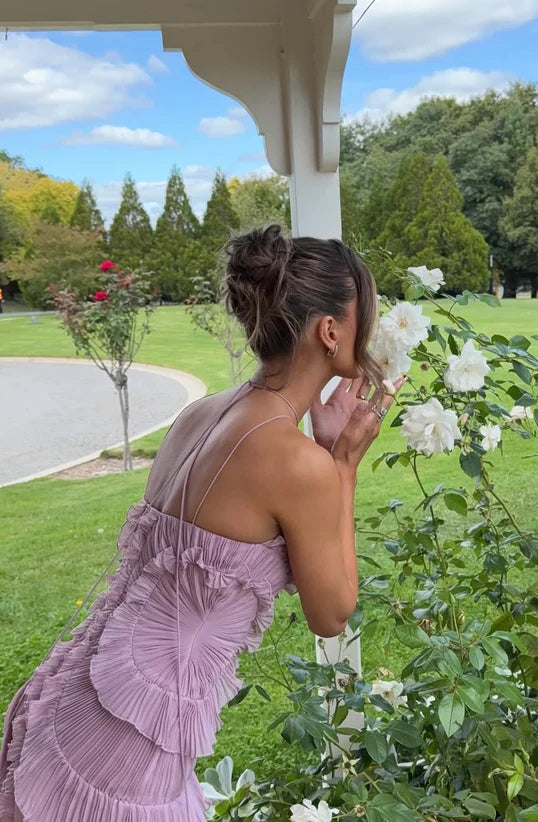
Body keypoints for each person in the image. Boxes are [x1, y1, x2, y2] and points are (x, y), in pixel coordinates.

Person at [0, 224, 403, 821]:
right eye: (363, 314)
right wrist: (341, 463)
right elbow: (333, 613)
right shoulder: (298, 463)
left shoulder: (201, 413)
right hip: (128, 747)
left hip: (79, 700)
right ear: (329, 331)